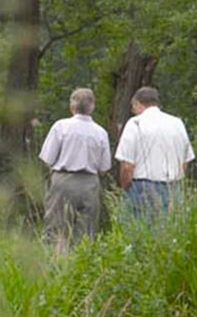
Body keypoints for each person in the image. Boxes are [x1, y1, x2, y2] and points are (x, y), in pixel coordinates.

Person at [37, 88, 111, 249]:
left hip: (63, 180)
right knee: (86, 230)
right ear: (92, 107)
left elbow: (47, 158)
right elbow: (104, 168)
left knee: (56, 228)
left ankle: (56, 263)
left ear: (72, 106)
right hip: (90, 183)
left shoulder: (61, 127)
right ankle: (81, 265)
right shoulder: (101, 133)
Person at [115, 86, 194, 220]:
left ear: (138, 104)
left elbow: (127, 165)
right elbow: (185, 161)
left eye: (133, 108)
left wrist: (125, 187)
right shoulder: (177, 123)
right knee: (169, 232)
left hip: (142, 187)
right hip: (173, 187)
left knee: (138, 233)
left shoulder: (135, 123)